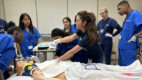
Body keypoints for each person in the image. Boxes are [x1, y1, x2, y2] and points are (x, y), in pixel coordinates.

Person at [117, 1, 142, 66]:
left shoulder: (135, 14)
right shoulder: (127, 16)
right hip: (122, 46)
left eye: (119, 9)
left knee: (129, 68)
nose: (118, 11)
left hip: (129, 48)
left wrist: (135, 36)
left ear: (126, 7)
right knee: (122, 68)